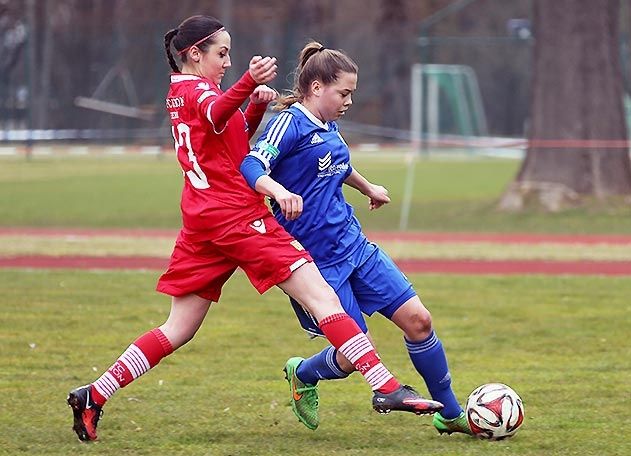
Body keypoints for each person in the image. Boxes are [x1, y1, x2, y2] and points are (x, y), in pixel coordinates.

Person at [66, 17, 442, 442]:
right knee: (320, 295)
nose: (227, 62)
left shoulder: (177, 92)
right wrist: (248, 82)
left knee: (178, 328)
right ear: (195, 54)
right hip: (236, 217)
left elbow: (226, 136)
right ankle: (386, 387)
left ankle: (95, 393)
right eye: (221, 53)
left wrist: (256, 106)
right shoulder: (199, 90)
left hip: (201, 220)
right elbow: (215, 110)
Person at [241, 41, 470, 435]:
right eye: (343, 93)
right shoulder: (289, 123)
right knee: (352, 353)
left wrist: (367, 187)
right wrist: (277, 192)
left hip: (355, 246)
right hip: (313, 264)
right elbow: (251, 163)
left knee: (419, 321)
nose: (348, 101)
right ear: (316, 88)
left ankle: (450, 415)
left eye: (351, 94)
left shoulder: (328, 124)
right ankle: (304, 372)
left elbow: (336, 164)